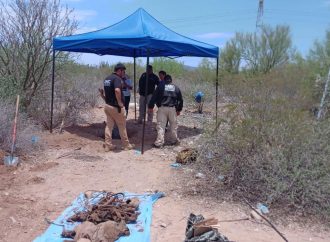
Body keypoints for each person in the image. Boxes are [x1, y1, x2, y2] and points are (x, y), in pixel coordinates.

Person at [99, 63, 134, 151]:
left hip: (107, 106)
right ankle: (126, 145)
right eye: (123, 71)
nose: (124, 73)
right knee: (122, 126)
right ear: (119, 70)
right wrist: (120, 103)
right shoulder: (117, 79)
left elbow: (108, 93)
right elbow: (117, 90)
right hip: (116, 107)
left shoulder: (107, 79)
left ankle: (108, 145)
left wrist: (102, 95)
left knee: (109, 126)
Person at [148, 74, 183, 148]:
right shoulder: (176, 88)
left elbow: (154, 97)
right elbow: (180, 100)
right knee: (173, 125)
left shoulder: (160, 87)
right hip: (172, 109)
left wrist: (151, 106)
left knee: (161, 126)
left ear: (164, 80)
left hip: (162, 108)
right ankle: (174, 140)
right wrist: (179, 109)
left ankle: (159, 142)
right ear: (171, 80)